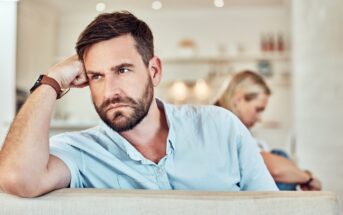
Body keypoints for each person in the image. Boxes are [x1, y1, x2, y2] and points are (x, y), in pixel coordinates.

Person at [0, 11, 277, 197]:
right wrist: (51, 82)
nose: (110, 91)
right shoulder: (82, 152)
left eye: (122, 70)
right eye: (97, 75)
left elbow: (273, 210)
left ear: (154, 71)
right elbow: (17, 178)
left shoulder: (221, 127)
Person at [215, 70, 322, 191]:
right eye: (258, 109)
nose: (259, 118)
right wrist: (308, 179)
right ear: (239, 99)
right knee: (280, 156)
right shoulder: (224, 126)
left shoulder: (217, 121)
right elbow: (275, 169)